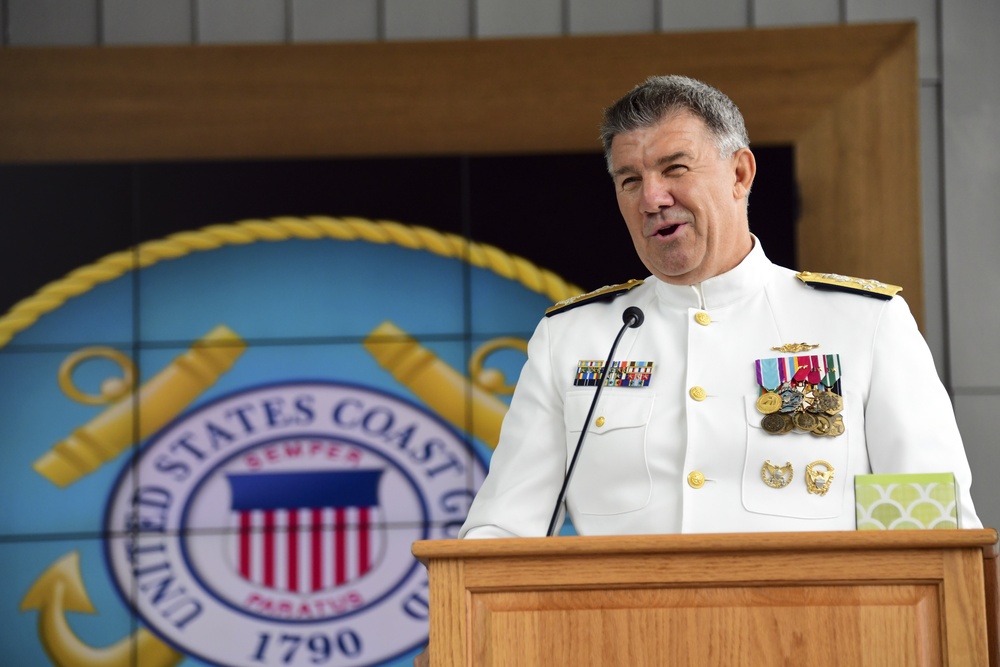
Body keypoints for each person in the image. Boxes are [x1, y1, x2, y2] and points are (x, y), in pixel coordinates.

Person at [458, 74, 981, 538]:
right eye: (630, 180)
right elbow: (503, 528)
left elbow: (930, 526)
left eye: (675, 169)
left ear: (740, 174)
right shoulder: (573, 340)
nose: (652, 199)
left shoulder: (864, 322)